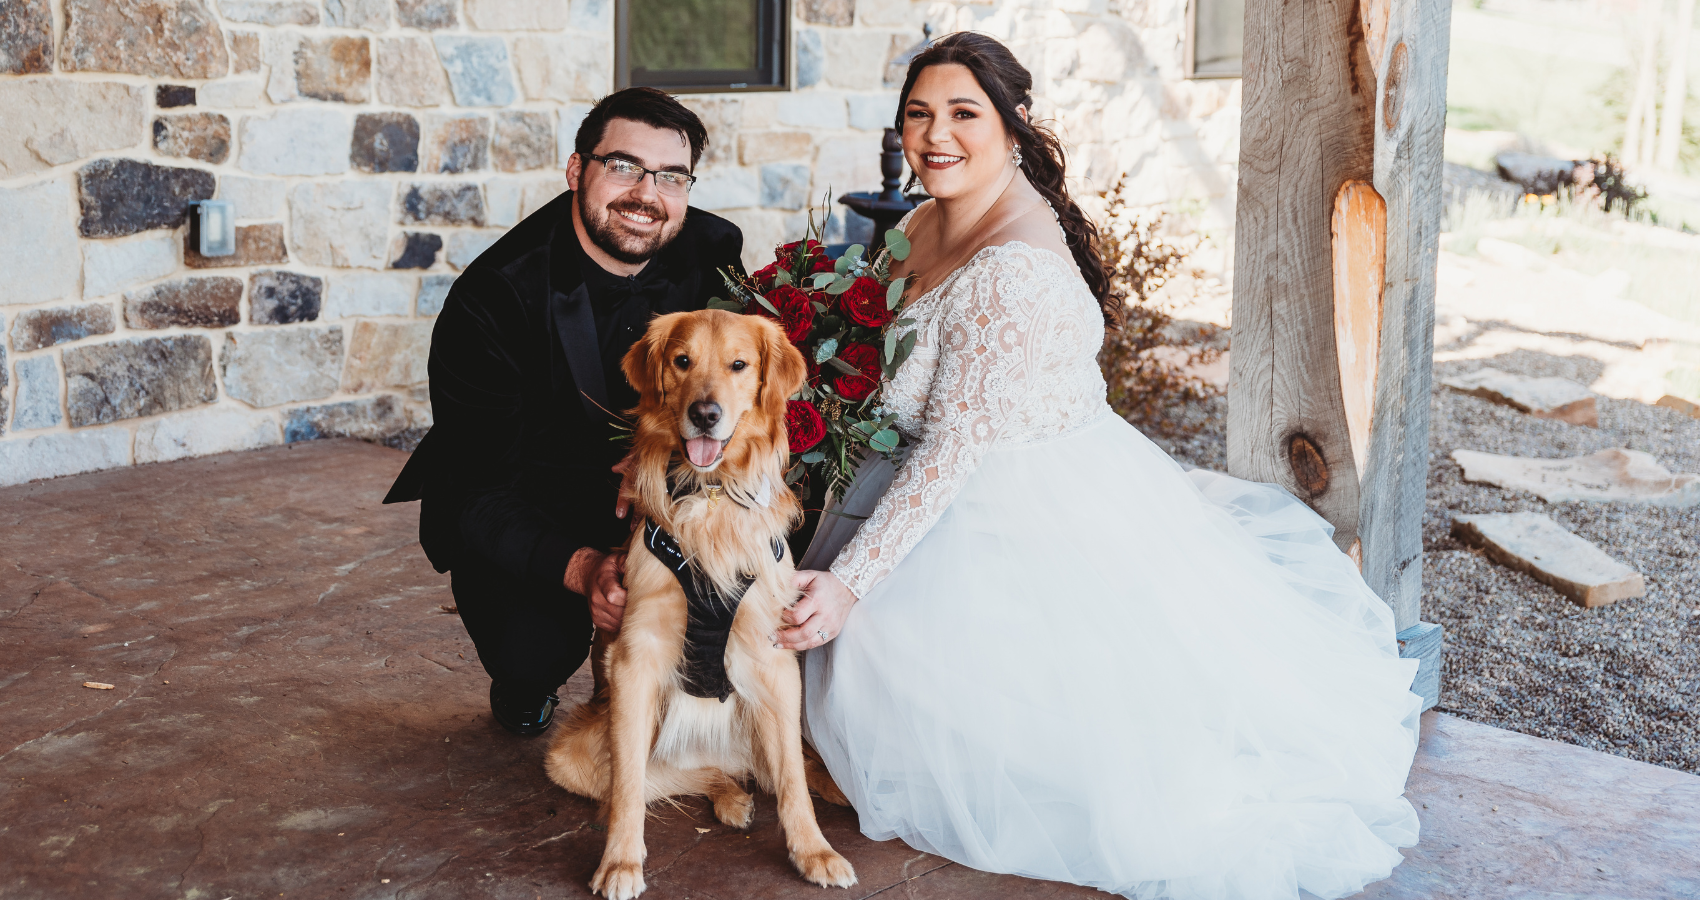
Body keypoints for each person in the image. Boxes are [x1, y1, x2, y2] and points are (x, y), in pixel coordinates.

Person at [777, 33, 1423, 900]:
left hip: (1009, 504)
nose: (936, 135)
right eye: (919, 115)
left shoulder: (1011, 271)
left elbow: (956, 448)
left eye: (964, 114)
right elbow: (872, 352)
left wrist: (853, 583)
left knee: (880, 669)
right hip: (936, 470)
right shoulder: (929, 217)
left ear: (1014, 127)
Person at [383, 88, 745, 737]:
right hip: (527, 490)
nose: (646, 194)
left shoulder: (712, 251)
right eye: (624, 166)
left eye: (670, 176)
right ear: (578, 170)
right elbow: (477, 488)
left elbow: (736, 385)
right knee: (533, 652)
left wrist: (656, 452)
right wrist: (582, 568)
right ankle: (524, 686)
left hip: (655, 484)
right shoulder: (491, 299)